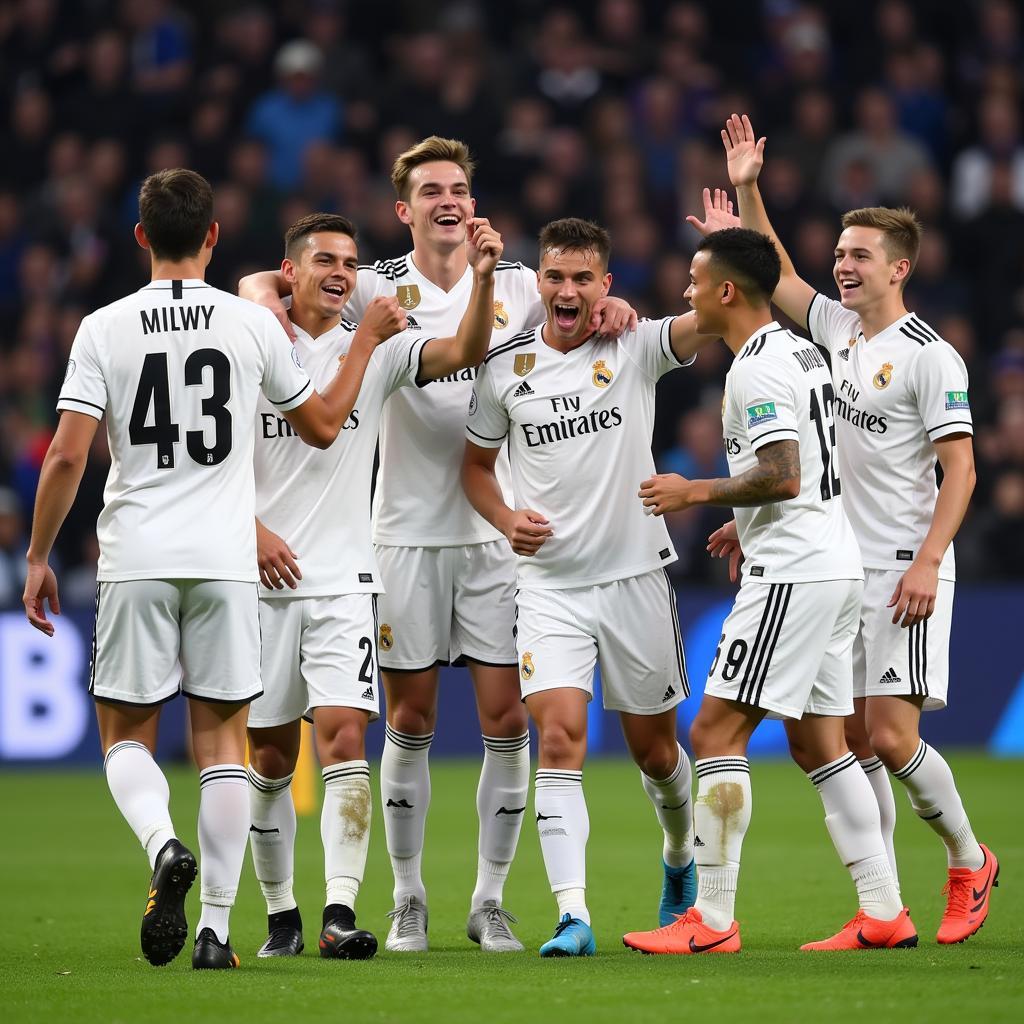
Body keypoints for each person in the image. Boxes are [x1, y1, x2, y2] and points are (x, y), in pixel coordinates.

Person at [240, 136, 635, 953]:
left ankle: (489, 900)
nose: (447, 200)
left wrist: (617, 313)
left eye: (458, 186)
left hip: (498, 533)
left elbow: (591, 314)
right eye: (430, 191)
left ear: (473, 198)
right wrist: (263, 294)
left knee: (504, 721)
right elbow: (265, 284)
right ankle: (409, 897)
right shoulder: (375, 287)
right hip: (404, 534)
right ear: (405, 209)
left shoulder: (526, 283)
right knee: (410, 718)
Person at [22, 168, 383, 970]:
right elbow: (323, 424)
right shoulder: (250, 326)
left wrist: (40, 554)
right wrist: (362, 343)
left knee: (125, 739)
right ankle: (216, 932)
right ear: (213, 236)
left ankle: (162, 844)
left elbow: (67, 457)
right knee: (225, 745)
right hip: (227, 565)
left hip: (138, 556)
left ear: (142, 236)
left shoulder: (102, 328)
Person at [719, 113, 996, 945]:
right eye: (838, 254)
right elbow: (777, 274)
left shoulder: (929, 357)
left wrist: (929, 561)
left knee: (888, 734)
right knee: (851, 745)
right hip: (841, 563)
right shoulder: (836, 332)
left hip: (907, 565)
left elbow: (963, 469)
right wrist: (746, 189)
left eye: (859, 255)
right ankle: (884, 911)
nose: (841, 266)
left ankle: (968, 857)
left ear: (898, 269)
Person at [622, 227, 912, 955]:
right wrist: (743, 522)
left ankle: (712, 922)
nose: (685, 293)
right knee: (820, 743)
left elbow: (782, 471)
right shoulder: (799, 349)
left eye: (694, 281)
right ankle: (884, 910)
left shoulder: (753, 370)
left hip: (794, 573)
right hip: (832, 561)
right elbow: (806, 465)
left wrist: (698, 493)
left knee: (713, 732)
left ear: (726, 291)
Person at [245, 209, 505, 961]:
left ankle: (337, 912)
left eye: (350, 263)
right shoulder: (253, 337)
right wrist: (251, 531)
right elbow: (220, 452)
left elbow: (464, 347)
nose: (339, 272)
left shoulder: (384, 352)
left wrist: (484, 280)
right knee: (266, 759)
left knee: (344, 741)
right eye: (323, 259)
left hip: (345, 579)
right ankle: (280, 914)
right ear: (289, 271)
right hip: (261, 581)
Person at [462, 217, 708, 957]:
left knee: (656, 756)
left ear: (605, 284)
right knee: (560, 739)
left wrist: (727, 243)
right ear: (538, 283)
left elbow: (721, 317)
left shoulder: (634, 344)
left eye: (582, 279)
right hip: (549, 587)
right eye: (554, 277)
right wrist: (506, 519)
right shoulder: (503, 368)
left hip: (634, 577)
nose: (567, 291)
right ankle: (574, 915)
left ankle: (679, 857)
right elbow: (474, 468)